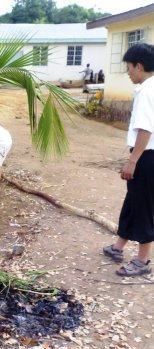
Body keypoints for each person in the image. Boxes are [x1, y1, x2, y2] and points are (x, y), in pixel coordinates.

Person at [103, 43, 154, 276]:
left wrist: (132, 161)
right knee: (133, 201)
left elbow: (145, 130)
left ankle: (143, 261)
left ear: (139, 66)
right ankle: (118, 246)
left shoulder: (146, 91)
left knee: (143, 206)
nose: (128, 72)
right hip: (147, 155)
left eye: (129, 67)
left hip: (146, 156)